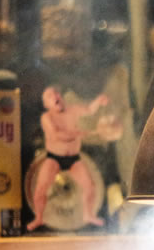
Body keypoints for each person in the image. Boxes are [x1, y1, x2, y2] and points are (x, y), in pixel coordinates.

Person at [26, 86, 111, 231]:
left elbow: (89, 110)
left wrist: (98, 101)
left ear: (61, 97)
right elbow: (56, 135)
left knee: (90, 186)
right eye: (50, 96)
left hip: (73, 158)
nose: (55, 96)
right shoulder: (47, 118)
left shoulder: (73, 110)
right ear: (46, 104)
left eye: (56, 93)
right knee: (40, 188)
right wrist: (78, 133)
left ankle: (88, 215)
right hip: (54, 158)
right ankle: (39, 218)